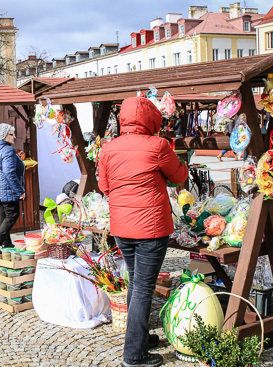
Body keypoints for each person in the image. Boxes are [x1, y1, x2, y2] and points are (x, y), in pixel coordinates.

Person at [98, 97, 188, 367]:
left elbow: (104, 187)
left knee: (136, 284)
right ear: (152, 119)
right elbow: (179, 177)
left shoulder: (108, 148)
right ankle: (134, 356)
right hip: (151, 227)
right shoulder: (158, 145)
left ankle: (138, 338)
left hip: (122, 227)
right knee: (142, 288)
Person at [0, 123, 25, 254]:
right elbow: (9, 173)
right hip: (7, 189)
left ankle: (6, 244)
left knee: (4, 216)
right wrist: (20, 191)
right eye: (12, 134)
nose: (15, 136)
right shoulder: (8, 150)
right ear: (5, 136)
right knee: (13, 214)